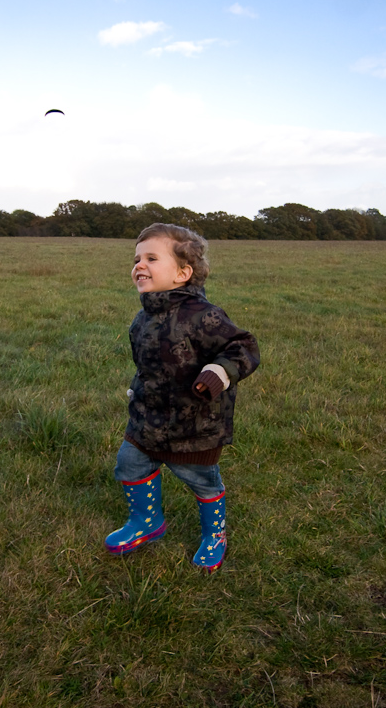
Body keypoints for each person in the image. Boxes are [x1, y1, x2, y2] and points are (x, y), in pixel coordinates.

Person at [104, 223, 260, 571]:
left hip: (193, 426)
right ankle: (147, 522)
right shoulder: (143, 316)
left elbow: (243, 347)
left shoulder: (204, 316)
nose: (139, 265)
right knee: (129, 465)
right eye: (136, 259)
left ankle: (213, 535)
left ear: (182, 273)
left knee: (202, 482)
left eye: (151, 258)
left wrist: (217, 373)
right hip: (147, 419)